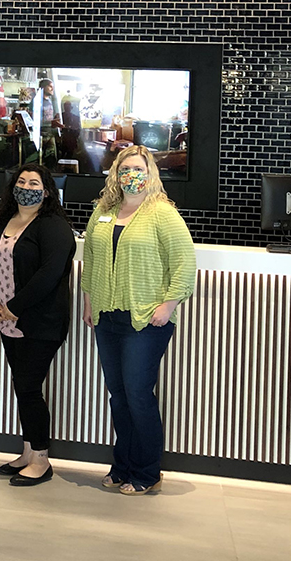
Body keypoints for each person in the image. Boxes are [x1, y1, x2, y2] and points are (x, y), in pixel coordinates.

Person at [82, 145, 195, 495]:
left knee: (138, 395)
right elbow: (89, 261)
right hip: (106, 317)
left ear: (150, 174)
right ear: (116, 173)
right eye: (126, 168)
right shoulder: (104, 211)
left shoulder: (162, 212)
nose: (132, 174)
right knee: (118, 396)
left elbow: (184, 263)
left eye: (139, 168)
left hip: (145, 321)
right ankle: (122, 466)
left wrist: (169, 305)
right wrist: (89, 303)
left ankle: (147, 471)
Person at [0, 163, 75, 486]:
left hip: (39, 322)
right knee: (23, 387)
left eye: (34, 183)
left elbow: (50, 273)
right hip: (6, 321)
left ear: (47, 191)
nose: (27, 187)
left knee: (29, 388)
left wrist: (15, 307)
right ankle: (28, 452)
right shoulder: (2, 221)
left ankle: (42, 460)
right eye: (21, 181)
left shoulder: (53, 226)